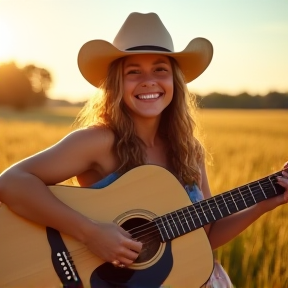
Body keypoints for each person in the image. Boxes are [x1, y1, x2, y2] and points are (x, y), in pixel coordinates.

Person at [0, 12, 287, 288]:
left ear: (174, 80)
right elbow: (11, 182)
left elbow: (205, 235)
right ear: (116, 83)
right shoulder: (98, 141)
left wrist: (266, 201)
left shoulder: (189, 149)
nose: (148, 80)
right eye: (133, 72)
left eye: (160, 70)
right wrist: (90, 233)